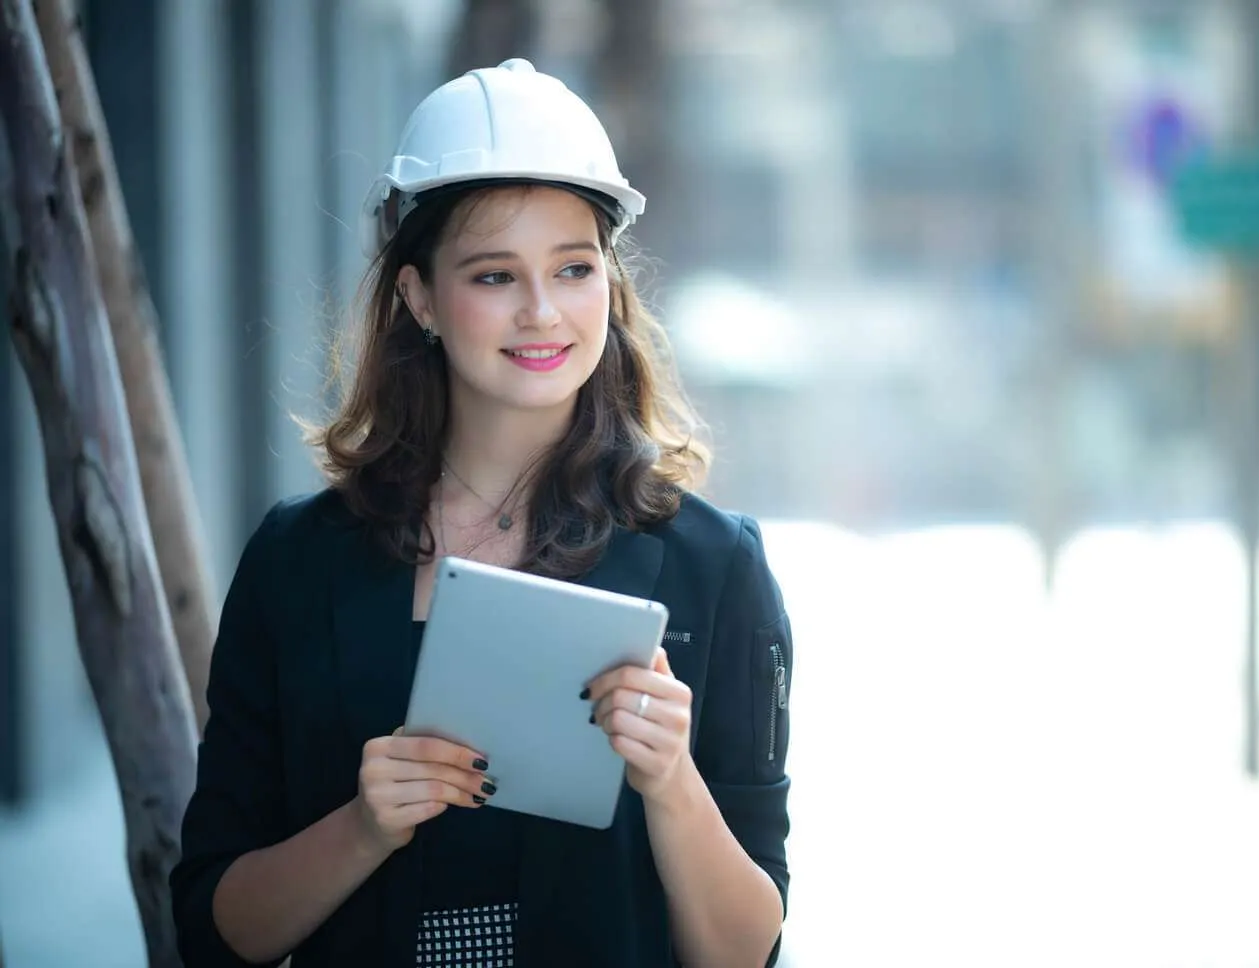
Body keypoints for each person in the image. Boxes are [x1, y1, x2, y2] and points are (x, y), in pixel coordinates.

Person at [171, 59, 793, 967]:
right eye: (495, 276)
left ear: (609, 288)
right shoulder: (299, 561)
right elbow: (215, 931)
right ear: (419, 297)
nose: (542, 312)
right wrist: (362, 828)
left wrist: (670, 782)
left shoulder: (714, 565)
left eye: (574, 268)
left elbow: (748, 953)